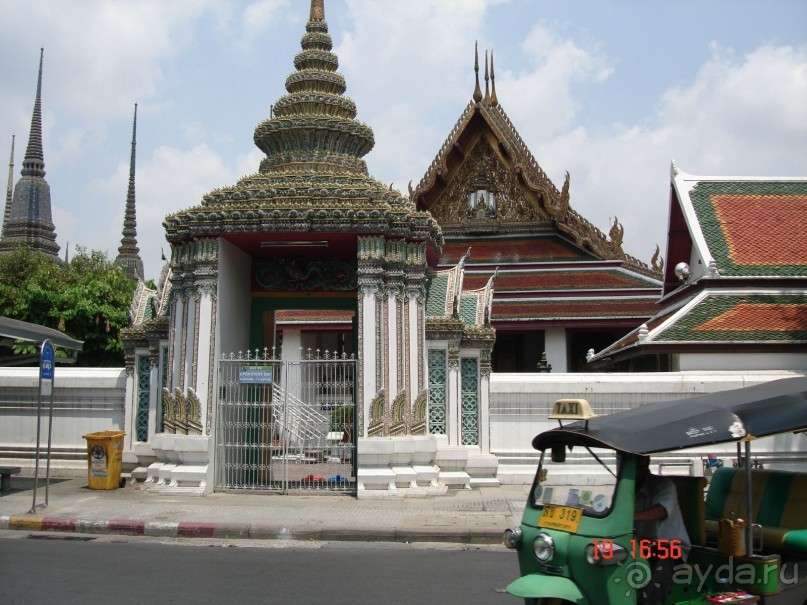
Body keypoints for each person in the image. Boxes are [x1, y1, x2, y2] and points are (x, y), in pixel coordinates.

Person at [634, 455, 691, 605]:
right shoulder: (625, 486)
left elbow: (661, 511)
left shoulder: (664, 484)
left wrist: (634, 516)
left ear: (645, 465)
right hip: (639, 546)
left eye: (636, 467)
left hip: (669, 546)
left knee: (662, 558)